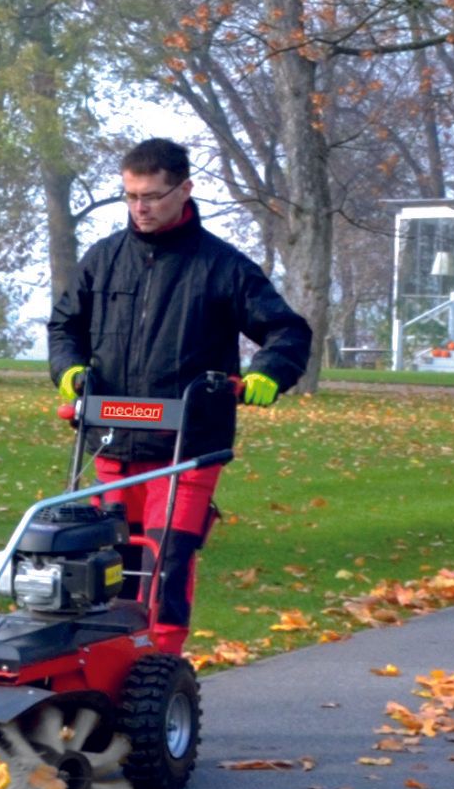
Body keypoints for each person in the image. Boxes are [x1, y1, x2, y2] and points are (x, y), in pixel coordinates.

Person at [47, 137, 312, 653]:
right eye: (130, 196)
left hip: (187, 444)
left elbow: (288, 331)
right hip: (111, 438)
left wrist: (269, 374)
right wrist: (69, 369)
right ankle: (105, 661)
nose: (139, 208)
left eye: (151, 196)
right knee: (107, 558)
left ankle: (162, 666)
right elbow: (64, 326)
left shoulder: (222, 266)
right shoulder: (104, 260)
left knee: (168, 558)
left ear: (185, 189)